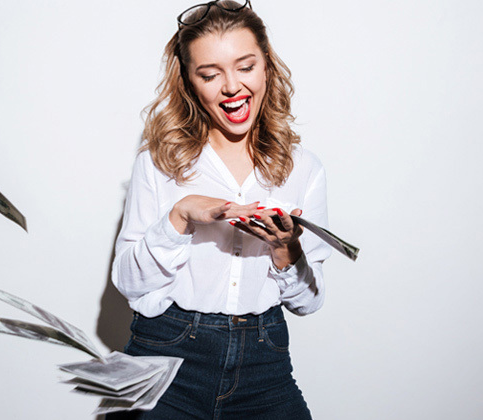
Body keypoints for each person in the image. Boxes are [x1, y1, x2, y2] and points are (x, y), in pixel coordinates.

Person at [109, 1, 331, 418]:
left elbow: (309, 302)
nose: (231, 87)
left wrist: (286, 250)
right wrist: (179, 218)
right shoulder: (159, 162)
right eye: (210, 74)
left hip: (263, 360)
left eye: (245, 67)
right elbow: (128, 283)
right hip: (164, 355)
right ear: (191, 83)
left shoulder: (304, 169)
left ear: (266, 66)